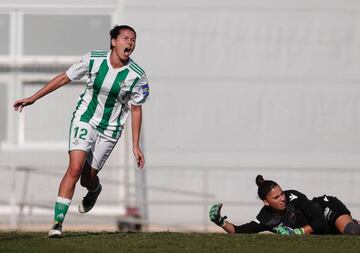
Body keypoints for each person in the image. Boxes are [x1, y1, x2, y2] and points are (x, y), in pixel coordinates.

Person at [13, 25, 150, 238]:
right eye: (125, 38)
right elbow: (64, 77)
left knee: (87, 178)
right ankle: (57, 223)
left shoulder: (137, 75)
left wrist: (135, 145)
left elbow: (136, 109)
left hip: (110, 129)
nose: (130, 43)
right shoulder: (93, 59)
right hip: (85, 118)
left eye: (133, 39)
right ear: (113, 41)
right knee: (75, 168)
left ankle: (94, 190)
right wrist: (33, 97)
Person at [209, 175, 360, 235]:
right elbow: (239, 231)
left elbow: (319, 220)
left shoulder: (293, 197)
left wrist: (296, 233)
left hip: (326, 209)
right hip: (322, 230)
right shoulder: (266, 218)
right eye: (276, 197)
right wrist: (220, 221)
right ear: (266, 202)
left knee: (352, 232)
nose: (282, 198)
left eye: (281, 193)